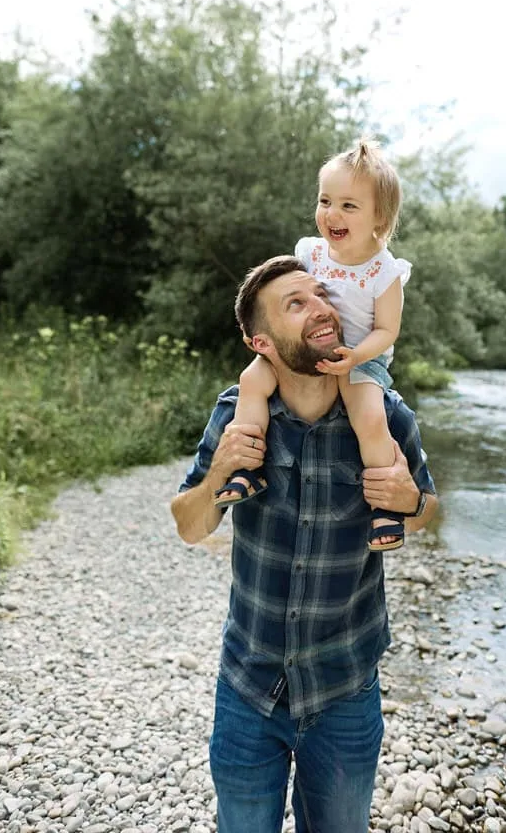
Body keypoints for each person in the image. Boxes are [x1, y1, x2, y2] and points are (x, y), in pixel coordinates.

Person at [171, 255, 437, 833]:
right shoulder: (237, 415)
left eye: (321, 294)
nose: (320, 306)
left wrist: (410, 501)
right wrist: (219, 476)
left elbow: (428, 514)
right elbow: (191, 525)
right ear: (259, 341)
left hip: (344, 688)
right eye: (296, 303)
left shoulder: (385, 417)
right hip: (249, 687)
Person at [214, 138, 412, 552]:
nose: (331, 214)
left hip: (360, 356)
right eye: (325, 201)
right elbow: (291, 294)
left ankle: (384, 507)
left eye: (348, 206)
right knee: (252, 379)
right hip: (307, 348)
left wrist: (355, 356)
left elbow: (387, 331)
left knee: (370, 419)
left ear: (379, 215)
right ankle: (246, 467)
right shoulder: (311, 251)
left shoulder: (385, 271)